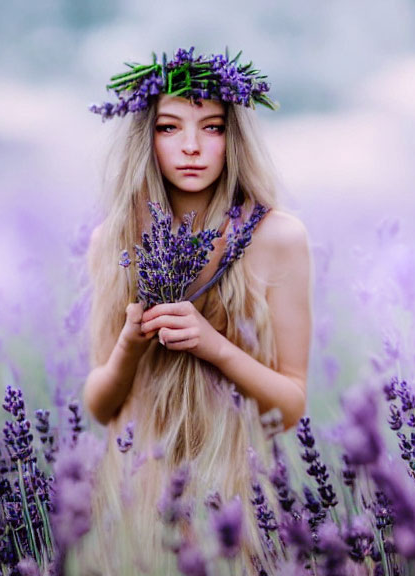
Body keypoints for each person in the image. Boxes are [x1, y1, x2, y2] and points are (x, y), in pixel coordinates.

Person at [80, 47, 312, 573]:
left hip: (235, 495)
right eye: (169, 127)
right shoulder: (112, 241)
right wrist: (127, 347)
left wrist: (215, 346)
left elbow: (291, 405)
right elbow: (99, 405)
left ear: (235, 138)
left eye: (211, 127)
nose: (191, 147)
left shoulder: (279, 238)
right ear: (146, 137)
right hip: (142, 492)